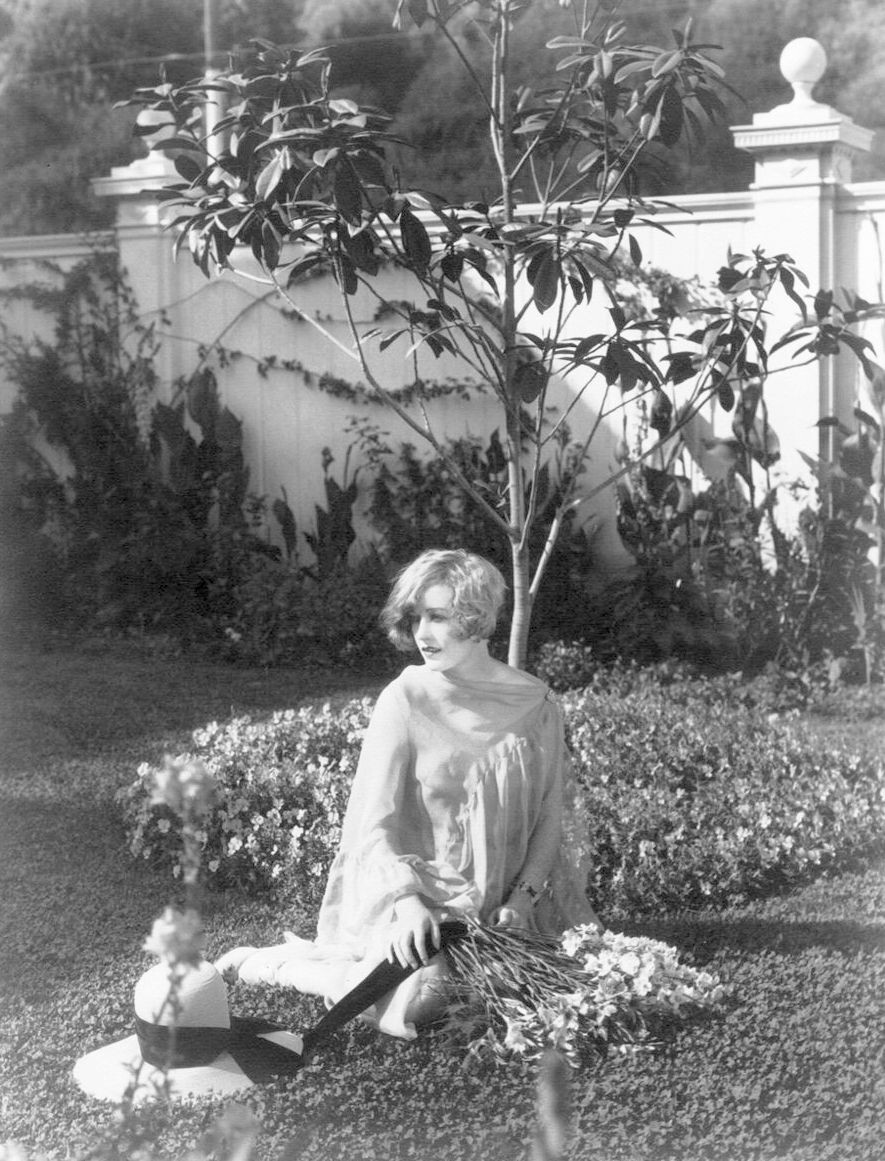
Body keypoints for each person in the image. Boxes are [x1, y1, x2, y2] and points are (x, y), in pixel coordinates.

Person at [215, 548, 599, 1039]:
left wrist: (523, 900)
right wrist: (408, 905)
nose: (422, 633)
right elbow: (372, 824)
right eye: (416, 617)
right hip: (419, 896)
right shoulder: (405, 699)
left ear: (476, 617)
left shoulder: (536, 703)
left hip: (506, 906)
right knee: (424, 1003)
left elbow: (549, 816)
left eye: (437, 617)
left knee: (546, 985)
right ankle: (278, 966)